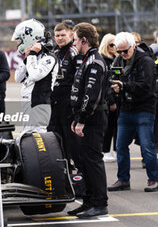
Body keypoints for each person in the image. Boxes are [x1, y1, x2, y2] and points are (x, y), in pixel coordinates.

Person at [67, 22, 108, 218]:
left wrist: (81, 119)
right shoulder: (86, 58)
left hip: (94, 118)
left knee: (93, 161)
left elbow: (91, 95)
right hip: (84, 117)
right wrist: (76, 118)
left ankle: (100, 203)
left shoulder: (95, 61)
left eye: (75, 39)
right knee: (84, 161)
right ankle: (89, 202)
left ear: (84, 40)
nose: (73, 43)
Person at [108, 32, 158, 192]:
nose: (122, 54)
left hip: (144, 108)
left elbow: (147, 86)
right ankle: (123, 180)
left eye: (125, 51)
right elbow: (112, 77)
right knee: (120, 145)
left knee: (147, 146)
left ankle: (154, 179)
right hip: (126, 108)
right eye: (119, 51)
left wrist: (124, 86)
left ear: (133, 46)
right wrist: (114, 88)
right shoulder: (118, 60)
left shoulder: (146, 61)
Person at [47, 20, 82, 170]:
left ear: (70, 35)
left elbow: (80, 78)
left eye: (63, 35)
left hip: (69, 103)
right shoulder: (54, 53)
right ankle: (62, 168)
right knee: (55, 137)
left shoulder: (74, 52)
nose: (60, 38)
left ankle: (76, 170)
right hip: (54, 102)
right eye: (57, 36)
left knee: (70, 139)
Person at [11, 19, 58, 131]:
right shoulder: (32, 57)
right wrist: (27, 58)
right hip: (28, 103)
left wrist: (32, 54)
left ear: (30, 37)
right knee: (26, 136)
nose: (19, 43)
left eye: (21, 40)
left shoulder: (49, 57)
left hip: (39, 104)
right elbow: (18, 78)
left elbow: (35, 76)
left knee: (37, 138)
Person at [99, 33, 119, 162]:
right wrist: (111, 101)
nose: (114, 47)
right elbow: (105, 83)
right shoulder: (102, 60)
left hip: (120, 98)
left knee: (118, 127)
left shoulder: (119, 58)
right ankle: (105, 151)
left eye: (115, 44)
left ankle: (117, 150)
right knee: (108, 127)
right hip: (107, 99)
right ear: (106, 45)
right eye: (111, 44)